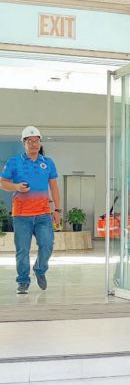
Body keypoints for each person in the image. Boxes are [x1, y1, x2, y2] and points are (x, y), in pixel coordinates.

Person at [0, 126, 60, 294]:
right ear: (23, 143)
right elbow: (2, 182)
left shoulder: (47, 163)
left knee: (47, 245)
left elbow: (54, 188)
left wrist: (57, 210)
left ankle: (40, 270)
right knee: (22, 250)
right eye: (30, 141)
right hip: (21, 215)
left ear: (40, 142)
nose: (34, 144)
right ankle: (23, 281)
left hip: (43, 214)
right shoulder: (13, 161)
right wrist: (16, 186)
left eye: (37, 141)